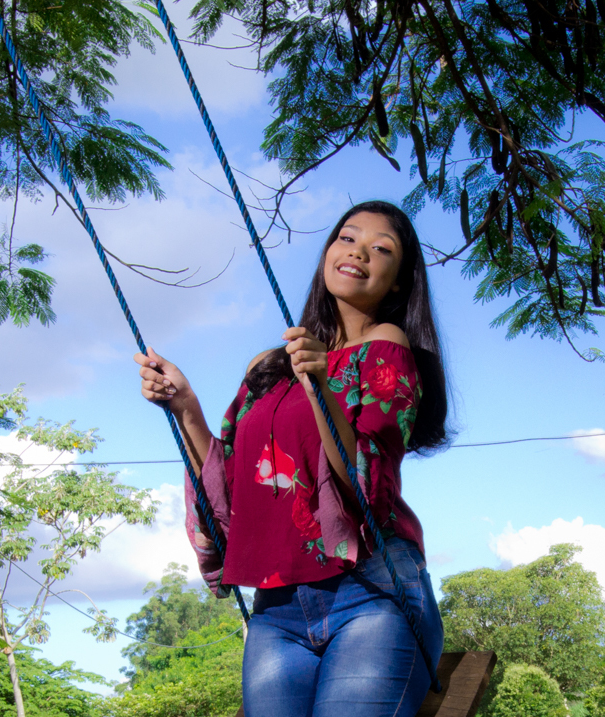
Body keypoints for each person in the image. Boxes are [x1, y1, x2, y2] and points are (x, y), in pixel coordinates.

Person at [133, 200, 450, 717]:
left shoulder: (385, 347)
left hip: (369, 590)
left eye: (381, 248)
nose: (359, 252)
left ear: (398, 283)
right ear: (327, 253)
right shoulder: (268, 365)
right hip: (277, 608)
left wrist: (321, 384)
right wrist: (186, 407)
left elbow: (361, 486)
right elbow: (230, 490)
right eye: (347, 238)